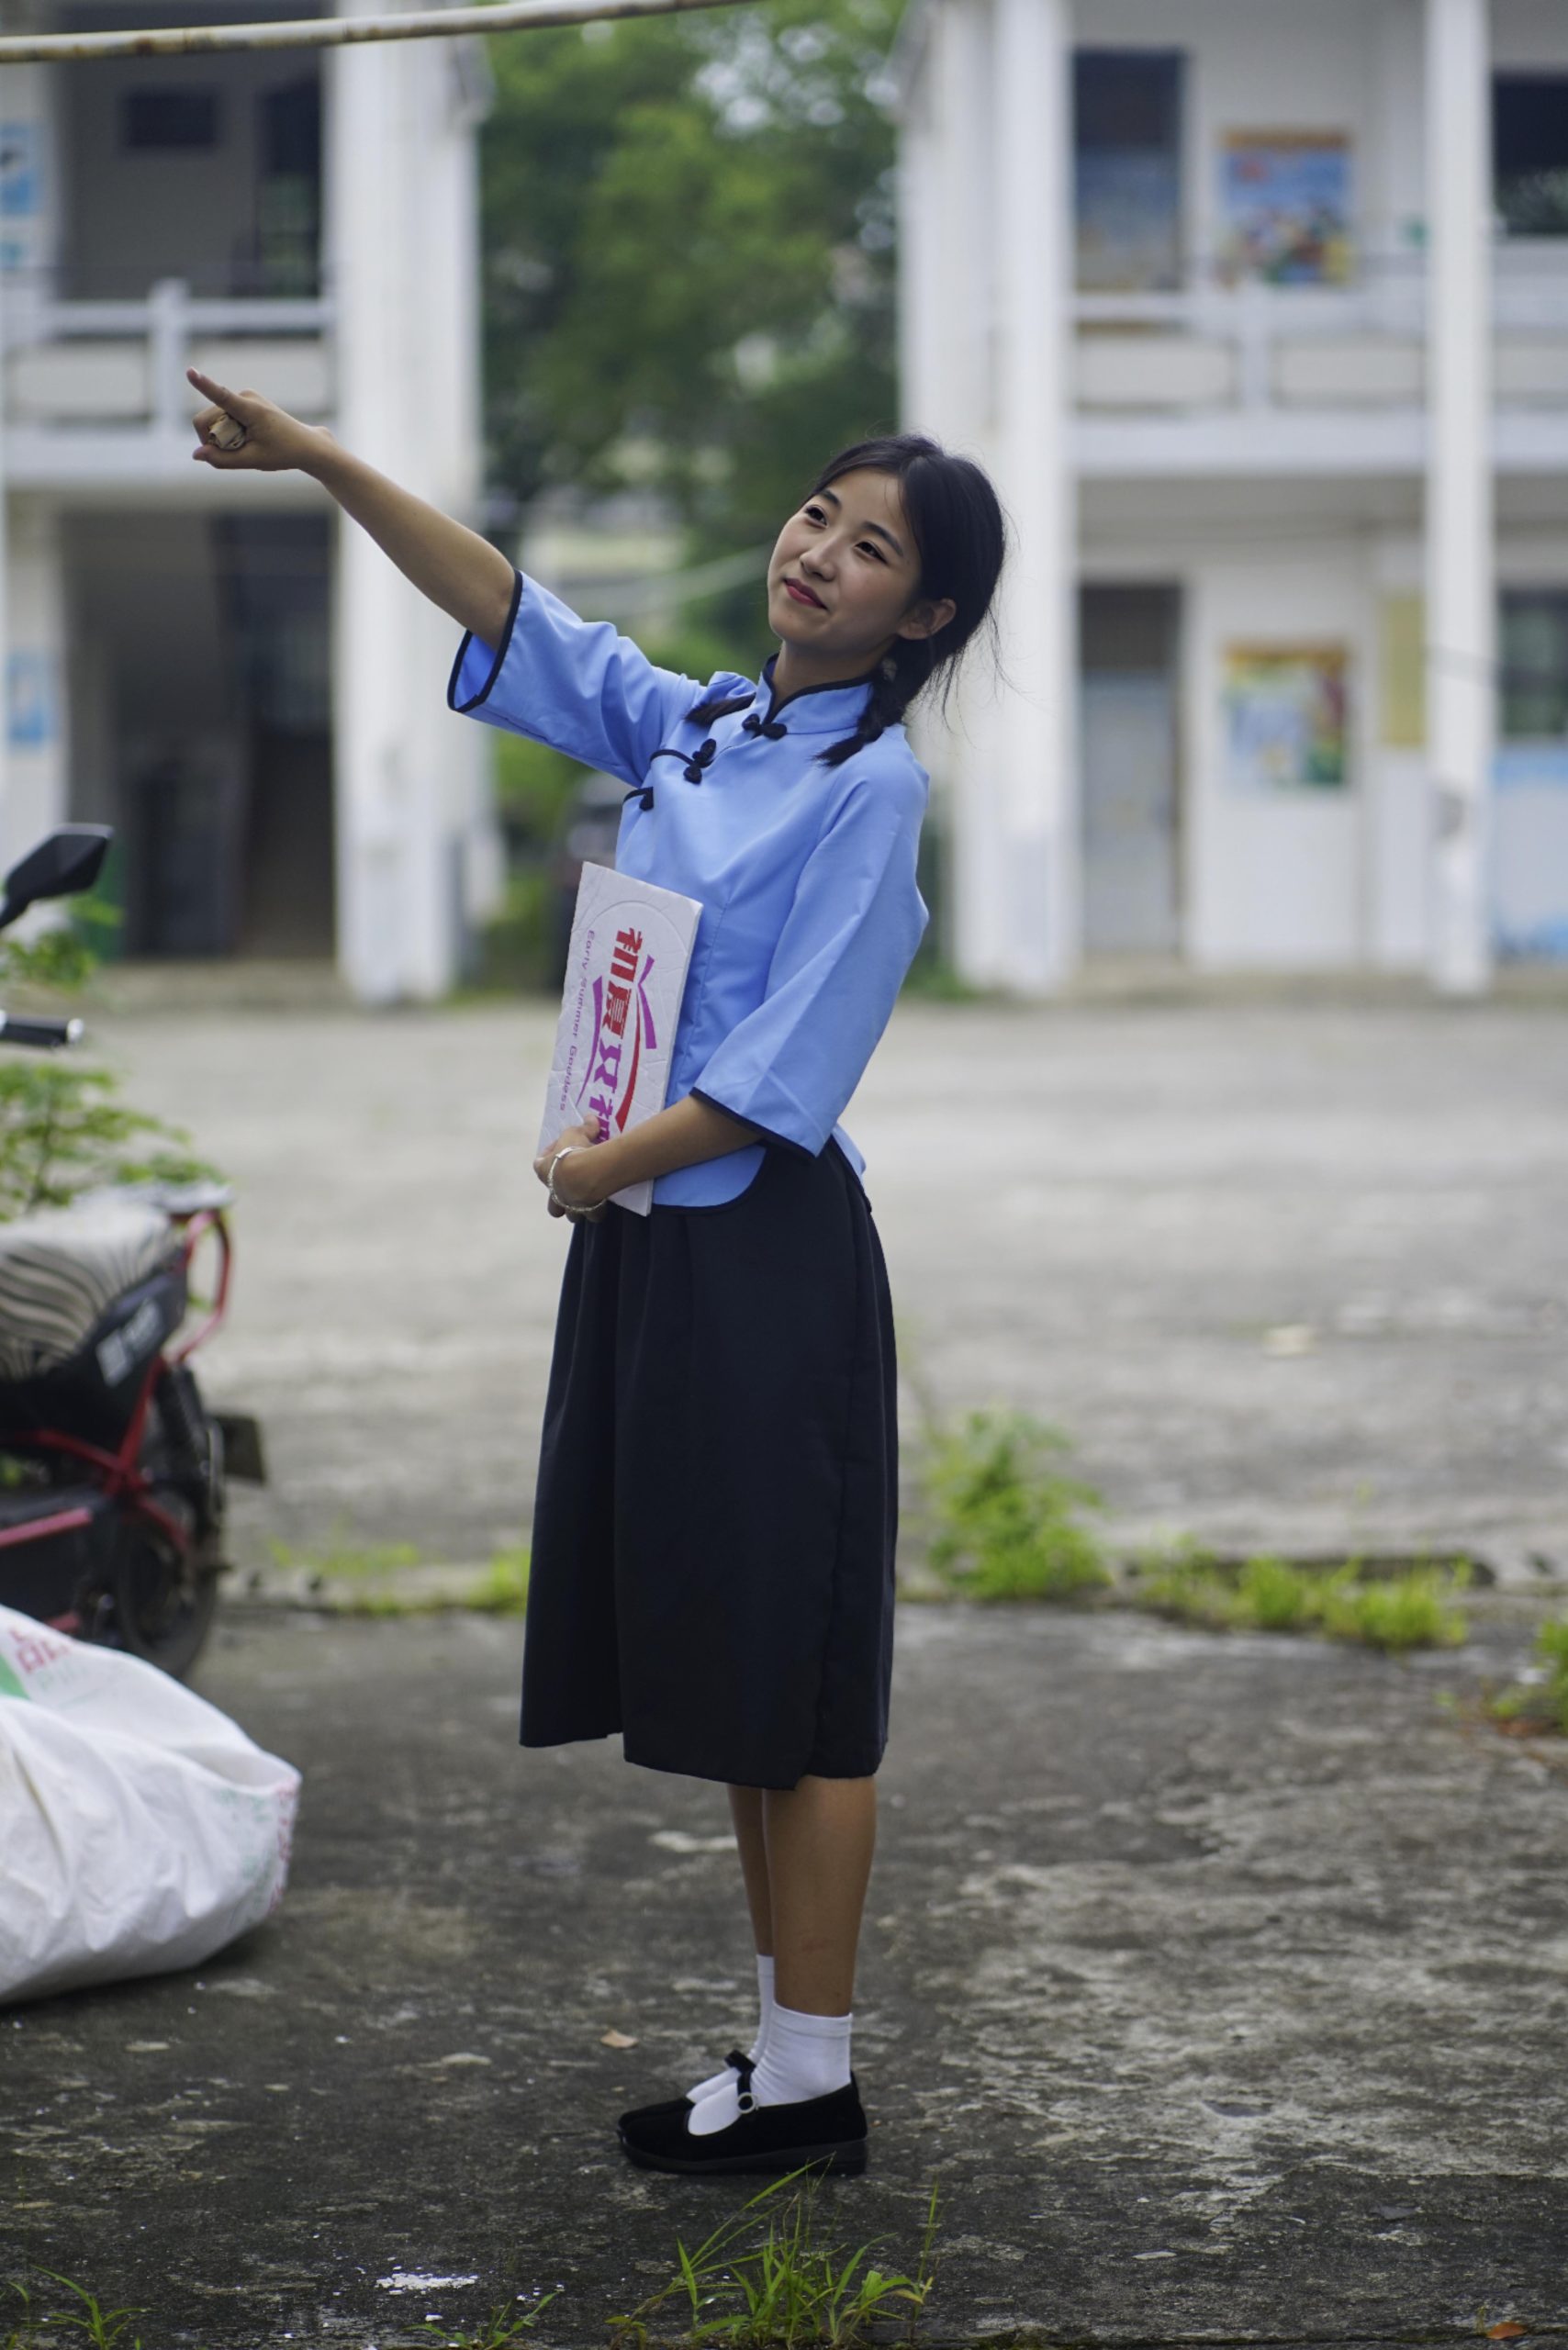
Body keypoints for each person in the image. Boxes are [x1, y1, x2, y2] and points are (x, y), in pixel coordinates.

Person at [187, 365, 1006, 2178]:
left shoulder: (870, 793)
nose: (818, 553)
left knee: (806, 1678)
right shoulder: (700, 730)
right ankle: (785, 2054)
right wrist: (320, 458)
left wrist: (596, 1163)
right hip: (645, 1248)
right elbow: (506, 608)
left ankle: (819, 2072)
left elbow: (790, 1071)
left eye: (870, 550)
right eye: (816, 513)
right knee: (731, 1668)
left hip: (762, 1257)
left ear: (923, 611)